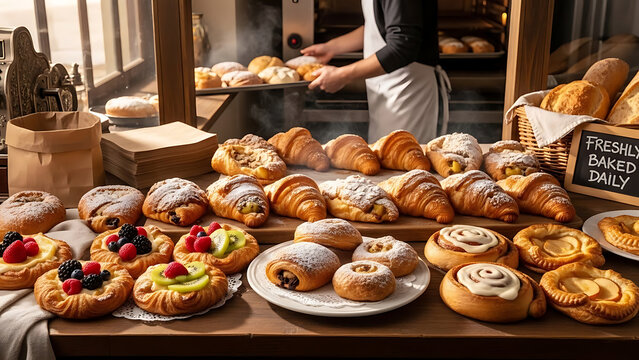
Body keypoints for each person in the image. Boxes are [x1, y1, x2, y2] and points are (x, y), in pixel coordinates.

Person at [302, 0, 449, 143]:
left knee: (406, 161)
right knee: (385, 158)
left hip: (408, 93)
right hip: (387, 92)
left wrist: (343, 75)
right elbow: (379, 25)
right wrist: (331, 48)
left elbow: (403, 45)